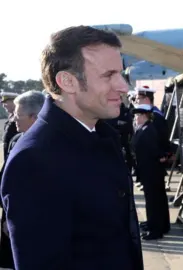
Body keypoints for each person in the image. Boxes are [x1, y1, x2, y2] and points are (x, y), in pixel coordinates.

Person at [0, 26, 143, 269]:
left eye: (121, 74)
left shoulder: (101, 136)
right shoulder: (35, 160)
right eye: (108, 75)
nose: (123, 86)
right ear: (67, 81)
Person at [0, 91, 45, 270]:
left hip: (33, 223)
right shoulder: (17, 139)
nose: (14, 119)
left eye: (18, 116)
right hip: (12, 216)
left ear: (34, 117)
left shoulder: (48, 145)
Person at [131, 103, 170, 240]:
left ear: (144, 116)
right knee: (156, 200)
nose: (135, 118)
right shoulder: (144, 129)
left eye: (137, 115)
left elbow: (153, 150)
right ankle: (159, 224)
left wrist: (161, 156)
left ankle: (156, 229)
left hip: (151, 171)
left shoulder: (148, 130)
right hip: (149, 171)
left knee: (153, 202)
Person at [1, 92, 18, 162]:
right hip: (8, 153)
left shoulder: (21, 117)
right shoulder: (11, 116)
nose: (3, 106)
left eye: (5, 102)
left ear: (14, 102)